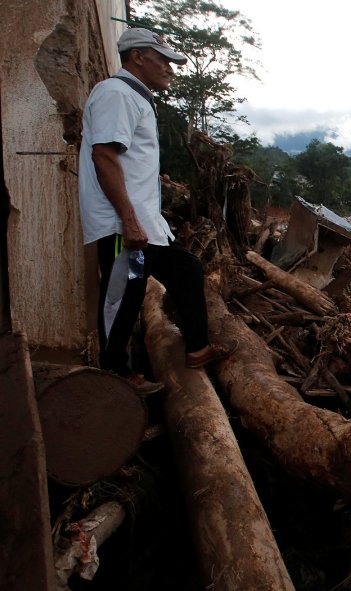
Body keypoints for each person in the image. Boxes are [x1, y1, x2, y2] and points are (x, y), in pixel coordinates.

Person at [79, 28, 236, 393]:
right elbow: (104, 156)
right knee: (121, 296)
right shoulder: (115, 94)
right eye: (162, 59)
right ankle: (116, 375)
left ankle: (196, 347)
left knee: (186, 269)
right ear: (137, 57)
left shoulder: (135, 97)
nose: (170, 68)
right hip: (122, 224)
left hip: (142, 222)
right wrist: (130, 221)